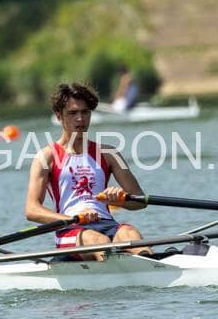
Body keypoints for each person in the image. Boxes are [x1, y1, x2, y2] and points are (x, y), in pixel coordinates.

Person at [25, 82, 147, 260]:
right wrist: (72, 217)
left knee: (129, 233)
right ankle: (114, 264)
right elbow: (31, 210)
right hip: (70, 230)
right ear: (59, 116)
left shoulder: (109, 154)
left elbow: (140, 201)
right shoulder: (46, 157)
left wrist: (121, 200)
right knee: (97, 240)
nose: (80, 119)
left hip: (107, 224)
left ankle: (152, 263)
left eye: (85, 112)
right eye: (73, 113)